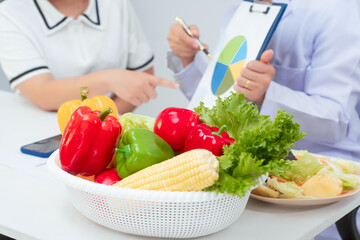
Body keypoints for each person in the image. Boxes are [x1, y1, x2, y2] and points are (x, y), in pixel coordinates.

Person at [167, 0, 360, 239]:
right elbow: (223, 101)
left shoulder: (338, 11)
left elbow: (338, 121)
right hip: (254, 183)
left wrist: (268, 94)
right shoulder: (240, 12)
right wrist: (187, 60)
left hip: (322, 191)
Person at [0, 0, 179, 113]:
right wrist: (109, 79)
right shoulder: (9, 14)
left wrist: (103, 122)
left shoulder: (116, 4)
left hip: (108, 129)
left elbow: (143, 75)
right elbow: (42, 92)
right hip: (38, 134)